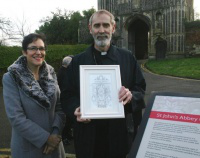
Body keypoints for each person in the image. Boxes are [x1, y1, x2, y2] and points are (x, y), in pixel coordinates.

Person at [60, 10, 146, 158]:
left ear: (113, 28)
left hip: (119, 135)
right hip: (88, 136)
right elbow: (67, 95)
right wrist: (75, 109)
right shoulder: (77, 62)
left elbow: (140, 88)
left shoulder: (128, 58)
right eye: (97, 25)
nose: (101, 30)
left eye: (106, 25)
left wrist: (131, 95)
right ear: (90, 29)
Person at [2, 33, 66, 158]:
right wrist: (46, 138)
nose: (38, 52)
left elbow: (60, 107)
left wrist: (56, 133)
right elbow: (16, 117)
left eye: (41, 48)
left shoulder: (51, 73)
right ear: (24, 52)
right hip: (28, 148)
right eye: (33, 48)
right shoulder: (11, 77)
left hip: (55, 146)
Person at [57, 56, 74, 145]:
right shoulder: (63, 73)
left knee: (69, 120)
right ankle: (64, 137)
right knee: (66, 120)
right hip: (63, 99)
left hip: (65, 98)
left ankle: (67, 135)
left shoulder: (63, 71)